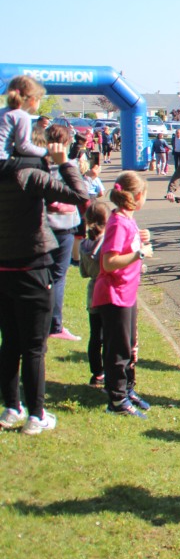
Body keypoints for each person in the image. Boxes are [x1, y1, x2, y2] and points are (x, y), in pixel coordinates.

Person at [0, 128, 89, 435]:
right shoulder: (31, 176)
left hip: (3, 268)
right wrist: (65, 164)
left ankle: (12, 407)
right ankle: (36, 415)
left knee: (10, 341)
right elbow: (80, 196)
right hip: (32, 267)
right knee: (34, 347)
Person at [93, 172, 154, 418]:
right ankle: (116, 400)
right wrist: (140, 253)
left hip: (127, 292)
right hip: (114, 294)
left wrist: (140, 238)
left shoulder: (128, 220)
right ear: (137, 196)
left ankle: (127, 389)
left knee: (129, 346)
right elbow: (109, 262)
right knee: (117, 349)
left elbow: (127, 244)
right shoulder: (118, 222)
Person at [43, 125, 82, 341]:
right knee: (58, 277)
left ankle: (42, 319)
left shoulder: (39, 164)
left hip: (43, 225)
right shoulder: (67, 166)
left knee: (43, 275)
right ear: (66, 143)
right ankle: (55, 325)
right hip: (64, 225)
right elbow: (81, 193)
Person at [78, 200, 111, 389]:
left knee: (95, 336)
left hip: (92, 293)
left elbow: (83, 272)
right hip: (107, 292)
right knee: (109, 337)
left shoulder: (84, 244)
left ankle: (96, 373)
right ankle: (108, 371)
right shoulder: (107, 243)